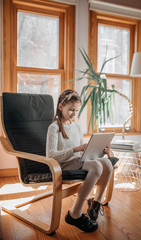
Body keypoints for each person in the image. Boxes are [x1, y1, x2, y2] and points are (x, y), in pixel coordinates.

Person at [46, 89, 113, 232]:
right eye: (71, 110)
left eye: (76, 110)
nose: (73, 114)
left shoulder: (76, 126)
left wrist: (100, 151)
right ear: (60, 107)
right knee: (96, 167)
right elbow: (50, 155)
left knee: (107, 163)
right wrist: (76, 149)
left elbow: (84, 151)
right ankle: (74, 213)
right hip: (62, 165)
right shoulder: (54, 128)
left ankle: (96, 203)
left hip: (78, 161)